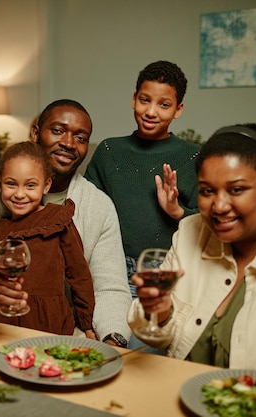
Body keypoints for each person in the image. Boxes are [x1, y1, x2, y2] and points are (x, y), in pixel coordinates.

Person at [128, 124, 256, 389]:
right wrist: (160, 313)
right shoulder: (189, 231)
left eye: (236, 190)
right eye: (207, 191)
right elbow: (156, 337)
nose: (219, 206)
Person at [0, 100, 132, 347]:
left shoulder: (98, 205)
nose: (68, 143)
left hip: (61, 332)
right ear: (35, 133)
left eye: (80, 137)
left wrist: (113, 337)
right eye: (57, 131)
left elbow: (110, 287)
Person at [84, 60, 200, 298]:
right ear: (134, 99)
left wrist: (176, 211)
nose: (150, 111)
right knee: (109, 333)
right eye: (144, 100)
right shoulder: (109, 152)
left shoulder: (194, 157)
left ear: (178, 109)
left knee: (148, 335)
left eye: (164, 104)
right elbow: (87, 210)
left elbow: (208, 224)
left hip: (166, 271)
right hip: (110, 268)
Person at [0, 141, 96, 336]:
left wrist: (87, 323)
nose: (19, 194)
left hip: (46, 321)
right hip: (1, 321)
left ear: (46, 186)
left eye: (30, 185)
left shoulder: (57, 221)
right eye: (11, 184)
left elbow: (79, 275)